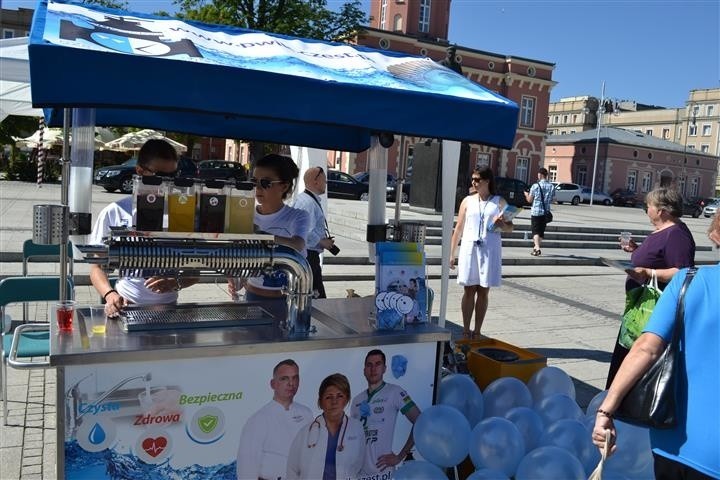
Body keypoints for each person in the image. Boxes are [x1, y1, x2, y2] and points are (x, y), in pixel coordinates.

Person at [592, 211, 720, 480]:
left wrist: (606, 410)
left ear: (715, 235)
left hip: (674, 442)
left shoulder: (688, 281)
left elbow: (645, 348)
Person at [89, 139, 197, 317]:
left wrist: (175, 281)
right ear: (140, 171)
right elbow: (96, 267)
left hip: (169, 309)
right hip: (125, 306)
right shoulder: (115, 212)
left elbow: (195, 271)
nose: (167, 183)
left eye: (173, 176)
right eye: (160, 176)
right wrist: (109, 294)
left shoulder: (181, 213)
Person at [605, 187, 695, 387]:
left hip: (653, 309)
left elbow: (683, 272)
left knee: (637, 359)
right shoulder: (664, 231)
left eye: (649, 206)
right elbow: (658, 258)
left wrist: (649, 273)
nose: (647, 210)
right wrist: (636, 249)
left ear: (662, 210)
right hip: (641, 306)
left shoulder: (676, 235)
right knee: (626, 354)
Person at [229, 154, 310, 320]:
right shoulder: (245, 215)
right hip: (252, 297)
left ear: (284, 186)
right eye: (254, 182)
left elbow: (298, 244)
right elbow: (235, 253)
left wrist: (259, 234)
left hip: (288, 300)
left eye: (265, 183)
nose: (257, 188)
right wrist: (234, 277)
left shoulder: (298, 216)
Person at [450, 167, 514, 338]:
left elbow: (510, 228)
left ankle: (477, 331)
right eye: (473, 179)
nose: (473, 182)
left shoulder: (499, 202)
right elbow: (458, 228)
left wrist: (503, 225)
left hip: (489, 249)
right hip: (470, 248)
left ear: (487, 181)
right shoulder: (467, 201)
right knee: (469, 289)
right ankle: (465, 329)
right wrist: (452, 253)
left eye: (477, 179)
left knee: (483, 290)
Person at [236, 359, 313, 480]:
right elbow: (246, 466)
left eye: (295, 378)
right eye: (284, 378)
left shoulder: (306, 413)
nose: (291, 383)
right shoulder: (258, 419)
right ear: (273, 384)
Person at [351, 349, 421, 476]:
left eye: (378, 364)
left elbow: (420, 421)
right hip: (360, 474)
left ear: (384, 368)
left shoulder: (395, 392)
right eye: (369, 365)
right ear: (364, 370)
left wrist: (400, 456)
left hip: (383, 473)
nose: (373, 369)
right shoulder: (357, 400)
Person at [286, 373, 365, 480]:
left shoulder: (357, 429)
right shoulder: (305, 433)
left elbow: (359, 466)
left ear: (347, 399)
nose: (334, 402)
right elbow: (292, 469)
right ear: (320, 402)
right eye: (329, 397)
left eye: (340, 396)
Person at [292, 166, 335, 299]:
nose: (326, 183)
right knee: (316, 301)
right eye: (324, 180)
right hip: (308, 257)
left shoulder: (306, 200)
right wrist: (323, 242)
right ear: (315, 181)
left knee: (311, 298)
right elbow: (304, 231)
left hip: (306, 256)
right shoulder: (308, 203)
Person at [523, 167, 554, 256]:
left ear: (540, 175)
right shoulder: (551, 186)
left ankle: (537, 248)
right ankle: (535, 249)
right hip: (545, 212)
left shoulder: (535, 186)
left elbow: (529, 200)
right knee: (541, 232)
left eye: (538, 174)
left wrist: (526, 195)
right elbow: (553, 199)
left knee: (535, 231)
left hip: (536, 212)